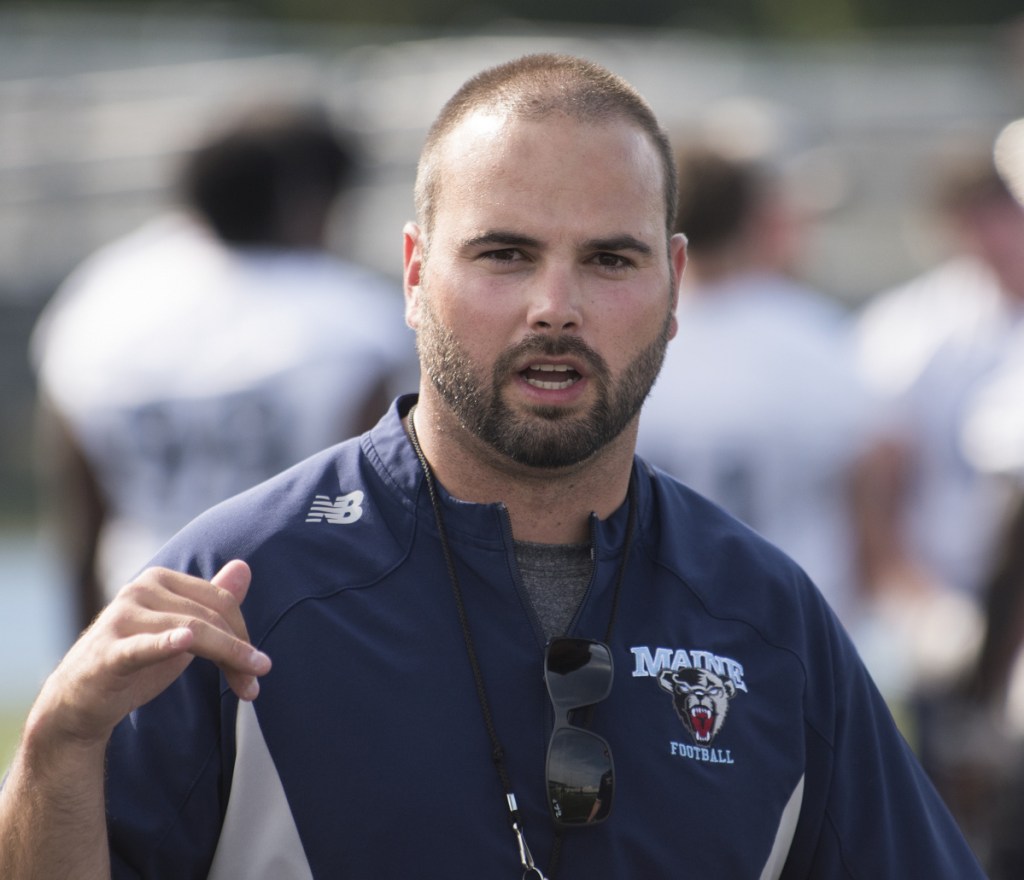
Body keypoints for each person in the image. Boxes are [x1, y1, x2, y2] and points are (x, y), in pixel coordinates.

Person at [0, 54, 984, 879]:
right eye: (505, 254)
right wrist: (56, 749)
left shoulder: (768, 617)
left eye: (609, 259)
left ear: (673, 284)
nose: (554, 305)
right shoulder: (233, 592)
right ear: (416, 274)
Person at [29, 101, 417, 632]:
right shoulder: (355, 319)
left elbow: (83, 510)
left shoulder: (97, 304)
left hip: (138, 612)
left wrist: (80, 654)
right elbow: (380, 499)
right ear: (308, 200)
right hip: (301, 619)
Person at [636, 146, 880, 626]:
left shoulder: (626, 333)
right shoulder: (817, 334)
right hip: (796, 620)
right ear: (750, 221)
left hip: (652, 620)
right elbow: (876, 476)